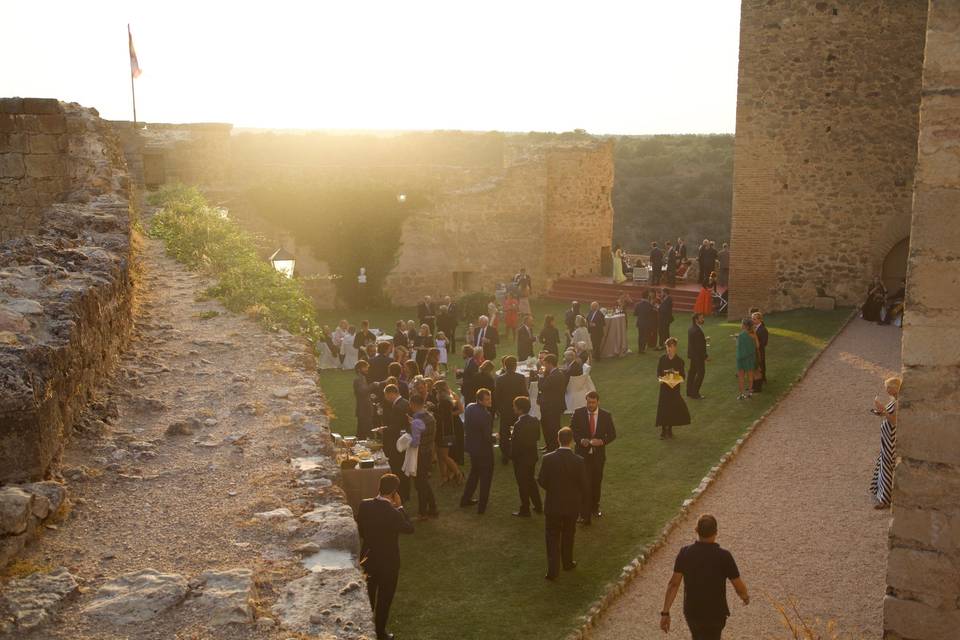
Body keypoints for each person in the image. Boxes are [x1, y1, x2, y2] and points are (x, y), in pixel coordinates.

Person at [661, 514, 749, 640]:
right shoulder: (724, 556)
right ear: (716, 532)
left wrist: (665, 612)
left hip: (693, 611)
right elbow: (738, 585)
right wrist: (745, 597)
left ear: (696, 530)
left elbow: (674, 584)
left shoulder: (685, 553)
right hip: (716, 612)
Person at [356, 473, 415, 640]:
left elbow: (360, 531)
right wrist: (400, 508)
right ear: (395, 492)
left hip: (368, 558)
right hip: (389, 562)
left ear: (379, 487)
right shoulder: (393, 513)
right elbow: (409, 528)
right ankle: (380, 632)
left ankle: (362, 627)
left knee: (368, 594)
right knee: (384, 599)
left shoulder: (364, 505)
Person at [538, 427, 588, 581]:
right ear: (572, 441)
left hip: (553, 504)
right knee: (568, 534)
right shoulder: (579, 461)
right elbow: (583, 484)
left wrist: (553, 490)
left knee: (552, 536)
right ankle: (567, 563)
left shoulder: (548, 458)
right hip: (571, 505)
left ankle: (553, 570)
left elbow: (542, 480)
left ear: (558, 439)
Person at [570, 391, 616, 525]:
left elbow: (612, 434)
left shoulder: (605, 415)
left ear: (598, 402)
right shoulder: (578, 413)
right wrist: (580, 440)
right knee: (583, 483)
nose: (590, 405)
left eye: (593, 402)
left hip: (598, 456)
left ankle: (595, 508)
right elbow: (572, 430)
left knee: (596, 482)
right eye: (588, 402)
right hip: (582, 455)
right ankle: (583, 511)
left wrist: (602, 441)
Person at [460, 388, 495, 514]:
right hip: (484, 451)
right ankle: (482, 507)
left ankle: (465, 499)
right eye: (487, 399)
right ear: (480, 400)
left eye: (490, 397)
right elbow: (487, 437)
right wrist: (495, 438)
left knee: (474, 474)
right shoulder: (486, 415)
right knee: (485, 479)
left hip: (472, 448)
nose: (490, 401)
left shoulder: (470, 407)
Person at [870, 376, 901, 509]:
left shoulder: (898, 402)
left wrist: (882, 410)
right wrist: (881, 412)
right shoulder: (894, 400)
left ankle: (886, 499)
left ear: (894, 388)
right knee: (883, 463)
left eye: (888, 387)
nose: (886, 390)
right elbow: (889, 415)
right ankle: (880, 492)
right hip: (886, 436)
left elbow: (894, 421)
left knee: (888, 465)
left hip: (891, 437)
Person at [510, 396, 543, 517]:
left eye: (514, 406)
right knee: (531, 481)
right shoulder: (534, 420)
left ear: (520, 409)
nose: (513, 408)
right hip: (532, 457)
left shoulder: (518, 424)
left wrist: (511, 455)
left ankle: (525, 509)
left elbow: (516, 445)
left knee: (522, 484)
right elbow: (537, 437)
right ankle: (538, 505)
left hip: (521, 459)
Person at [408, 394, 438, 520]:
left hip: (419, 453)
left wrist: (406, 440)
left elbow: (415, 442)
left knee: (420, 484)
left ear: (413, 405)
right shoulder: (430, 417)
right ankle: (433, 508)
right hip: (428, 451)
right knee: (424, 481)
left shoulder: (416, 421)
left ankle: (423, 512)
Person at [495, 356, 528, 465]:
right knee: (519, 431)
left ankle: (505, 455)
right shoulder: (520, 378)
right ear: (515, 365)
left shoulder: (500, 379)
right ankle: (519, 452)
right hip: (518, 409)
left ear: (504, 365)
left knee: (504, 433)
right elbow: (525, 394)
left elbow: (497, 396)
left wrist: (499, 409)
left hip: (505, 410)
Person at [656, 337, 691, 439]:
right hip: (664, 388)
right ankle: (663, 430)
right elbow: (658, 373)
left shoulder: (679, 361)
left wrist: (675, 378)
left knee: (671, 409)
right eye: (667, 347)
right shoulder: (662, 359)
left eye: (670, 347)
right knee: (663, 409)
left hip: (674, 389)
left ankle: (670, 430)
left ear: (675, 347)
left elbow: (683, 376)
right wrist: (661, 379)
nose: (668, 349)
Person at [382, 385, 411, 502]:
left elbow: (395, 427)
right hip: (404, 439)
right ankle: (405, 492)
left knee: (398, 468)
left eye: (386, 395)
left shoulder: (398, 406)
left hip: (398, 441)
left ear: (391, 393)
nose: (386, 398)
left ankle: (402, 494)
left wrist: (384, 429)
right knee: (404, 467)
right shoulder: (405, 402)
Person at [433, 380, 463, 486]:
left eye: (436, 390)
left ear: (440, 390)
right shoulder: (445, 400)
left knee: (444, 456)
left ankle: (458, 473)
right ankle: (444, 476)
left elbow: (444, 418)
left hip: (444, 432)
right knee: (440, 456)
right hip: (443, 431)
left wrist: (433, 410)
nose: (435, 393)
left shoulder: (444, 402)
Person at [538, 354, 567, 452]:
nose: (544, 366)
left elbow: (542, 387)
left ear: (550, 364)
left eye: (545, 364)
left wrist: (541, 376)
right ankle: (549, 445)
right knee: (547, 426)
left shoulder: (554, 375)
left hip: (551, 406)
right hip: (551, 405)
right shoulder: (556, 373)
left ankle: (552, 447)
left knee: (551, 428)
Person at [353, 361, 377, 440]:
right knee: (367, 432)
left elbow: (364, 393)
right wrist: (373, 385)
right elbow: (362, 391)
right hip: (363, 409)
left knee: (362, 432)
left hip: (365, 408)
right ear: (359, 369)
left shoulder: (362, 378)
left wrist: (370, 396)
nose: (367, 369)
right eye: (365, 367)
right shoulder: (358, 379)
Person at [687, 313, 708, 400]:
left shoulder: (692, 328)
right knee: (701, 373)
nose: (703, 319)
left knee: (692, 373)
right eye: (701, 318)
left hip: (693, 355)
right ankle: (695, 393)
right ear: (696, 320)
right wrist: (705, 356)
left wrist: (704, 340)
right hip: (698, 356)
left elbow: (695, 342)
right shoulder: (697, 331)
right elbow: (699, 347)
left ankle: (689, 391)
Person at [735, 318, 756, 400]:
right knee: (750, 376)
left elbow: (739, 348)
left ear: (745, 326)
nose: (741, 325)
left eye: (742, 324)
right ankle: (750, 393)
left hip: (741, 358)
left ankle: (741, 394)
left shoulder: (741, 335)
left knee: (741, 377)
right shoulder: (753, 335)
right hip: (750, 358)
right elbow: (757, 346)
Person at [633, 290, 656, 354]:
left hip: (640, 322)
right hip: (647, 323)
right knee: (645, 336)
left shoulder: (638, 304)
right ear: (647, 296)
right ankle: (642, 348)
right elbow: (652, 314)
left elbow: (635, 314)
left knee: (640, 335)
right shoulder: (649, 305)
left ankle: (640, 349)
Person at [751, 312, 768, 393]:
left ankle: (759, 386)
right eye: (752, 319)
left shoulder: (763, 329)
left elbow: (764, 342)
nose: (752, 320)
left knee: (760, 368)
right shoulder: (754, 328)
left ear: (760, 319)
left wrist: (755, 344)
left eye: (754, 319)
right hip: (753, 351)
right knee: (755, 368)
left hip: (759, 352)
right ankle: (754, 385)